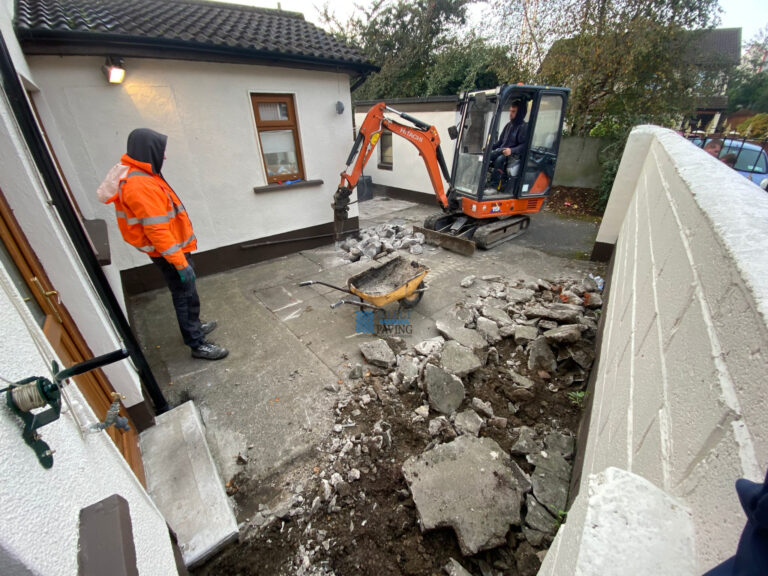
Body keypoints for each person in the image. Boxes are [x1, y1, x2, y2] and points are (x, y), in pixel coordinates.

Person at [113, 128, 228, 360]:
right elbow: (157, 230)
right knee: (184, 295)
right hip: (170, 253)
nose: (164, 156)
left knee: (188, 294)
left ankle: (193, 327)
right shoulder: (140, 185)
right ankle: (197, 344)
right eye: (161, 151)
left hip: (172, 250)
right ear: (148, 151)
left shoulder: (143, 175)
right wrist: (179, 263)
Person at [487, 98, 528, 190]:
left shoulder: (524, 127)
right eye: (510, 111)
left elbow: (524, 145)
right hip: (501, 151)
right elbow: (500, 142)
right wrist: (489, 147)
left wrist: (511, 150)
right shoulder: (508, 125)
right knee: (485, 156)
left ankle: (494, 187)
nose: (511, 113)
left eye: (513, 111)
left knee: (499, 159)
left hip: (513, 156)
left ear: (520, 113)